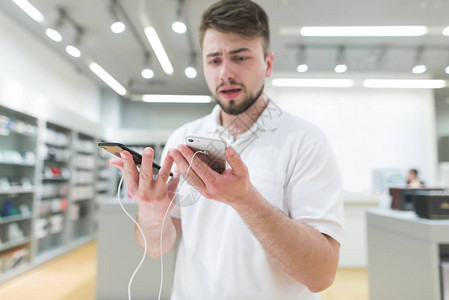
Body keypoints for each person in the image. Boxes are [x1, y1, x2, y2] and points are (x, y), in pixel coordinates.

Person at [110, 1, 344, 299]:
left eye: (240, 57)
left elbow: (321, 274)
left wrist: (247, 200)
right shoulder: (183, 138)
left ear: (268, 64)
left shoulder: (306, 142)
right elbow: (157, 247)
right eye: (214, 60)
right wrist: (153, 211)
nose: (226, 73)